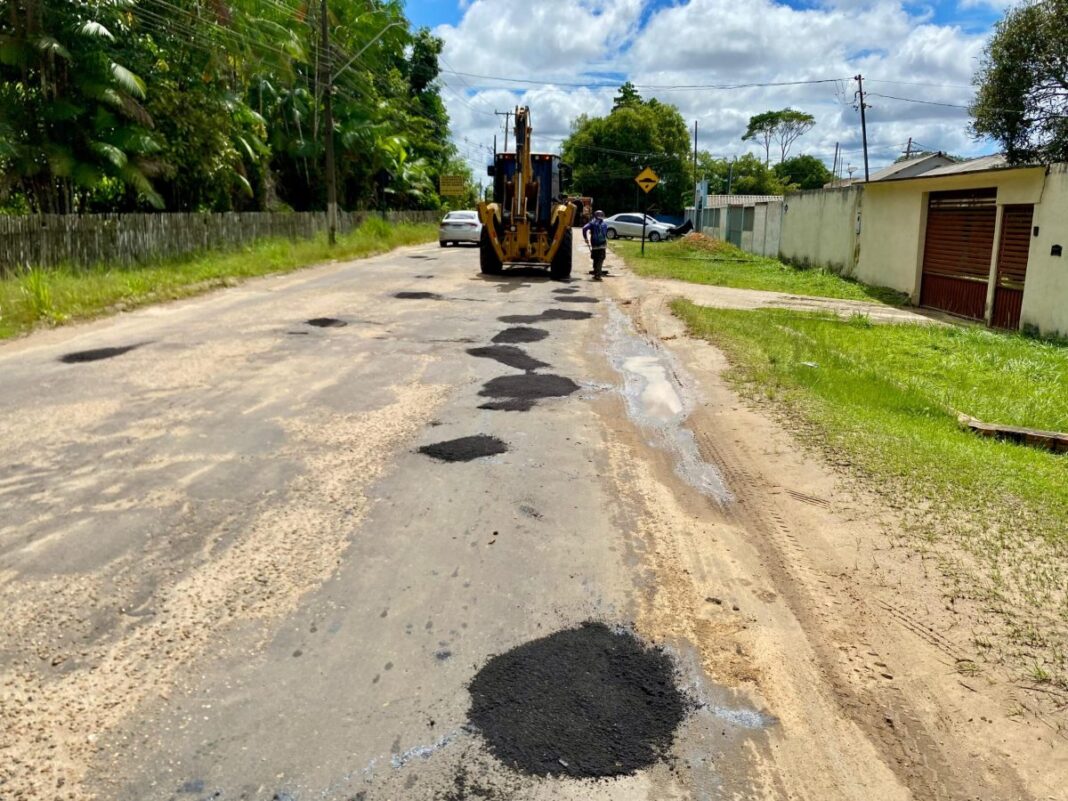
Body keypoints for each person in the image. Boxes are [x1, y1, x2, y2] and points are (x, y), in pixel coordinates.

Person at [581, 210, 608, 280]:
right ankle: (598, 274)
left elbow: (584, 228)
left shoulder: (592, 223)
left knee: (595, 258)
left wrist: (585, 238)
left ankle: (596, 272)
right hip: (603, 244)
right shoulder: (605, 224)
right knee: (600, 259)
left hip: (594, 244)